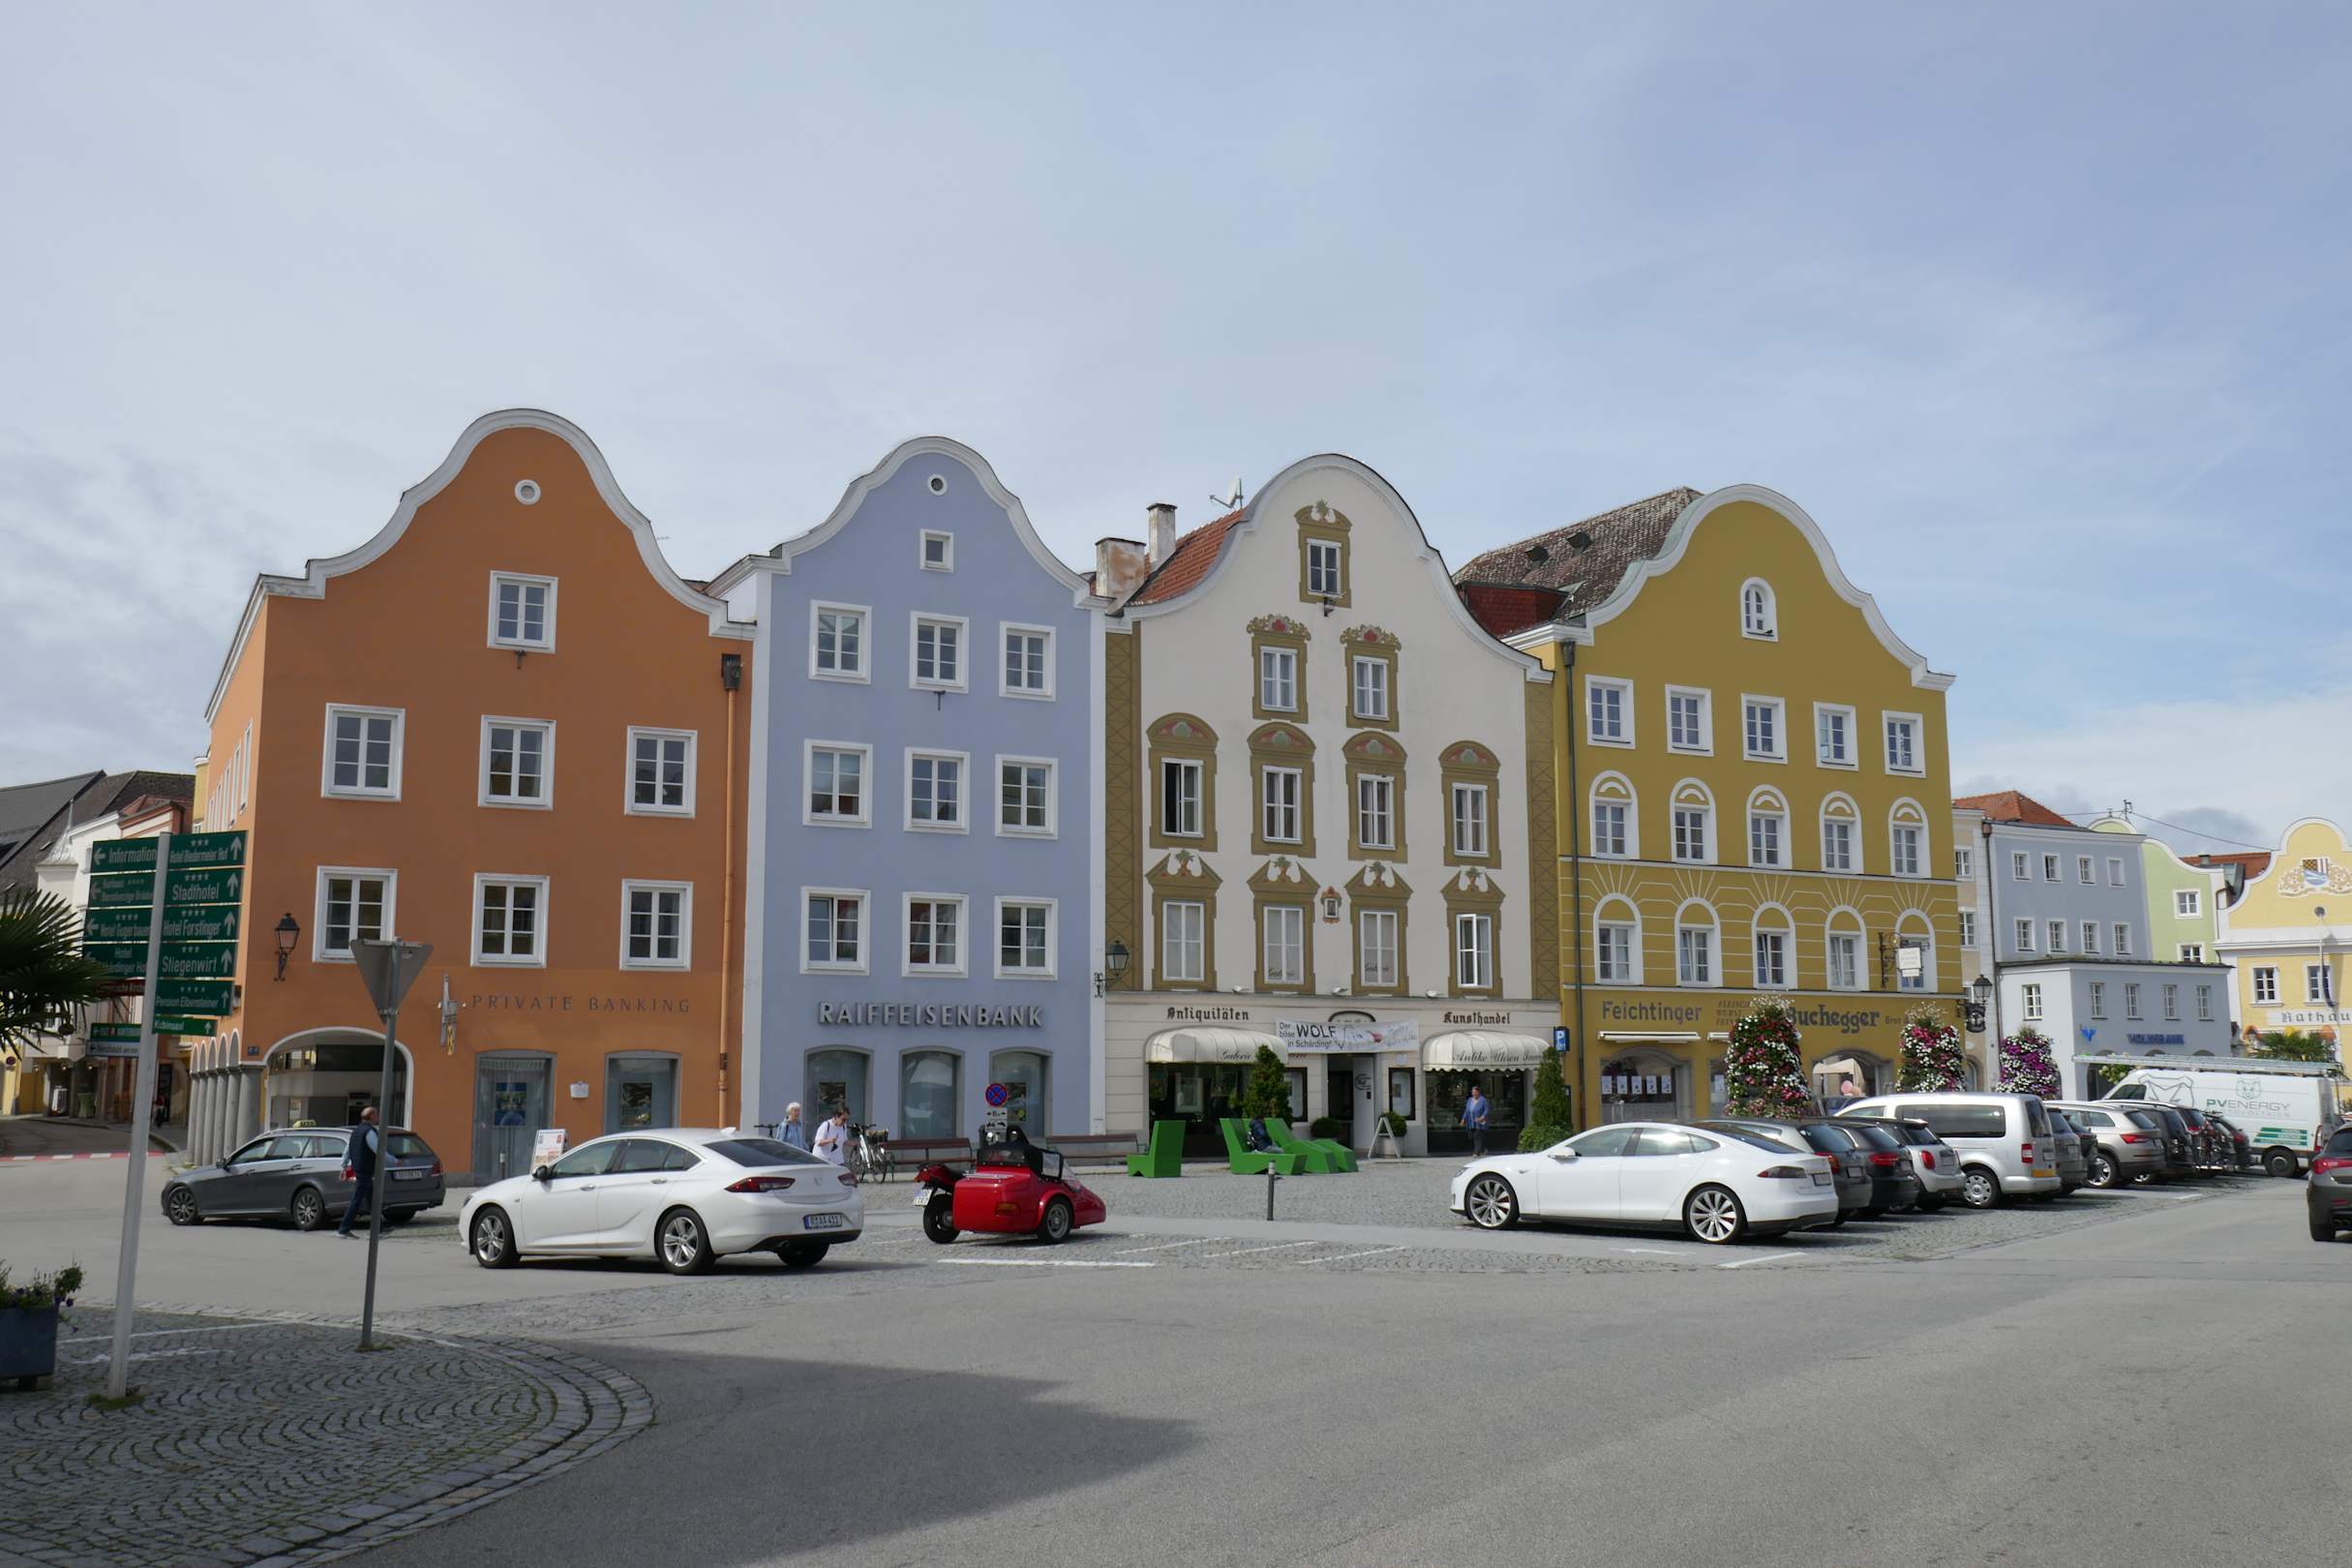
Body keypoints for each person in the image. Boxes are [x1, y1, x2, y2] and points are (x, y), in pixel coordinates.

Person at [338, 1105, 381, 1239]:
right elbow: (378, 1150)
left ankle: (378, 1229)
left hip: (360, 1169)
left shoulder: (356, 1131)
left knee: (371, 1199)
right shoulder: (369, 1132)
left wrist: (343, 1167)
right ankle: (344, 1229)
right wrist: (394, 1160)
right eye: (377, 1114)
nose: (378, 1116)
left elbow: (347, 1151)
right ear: (372, 1116)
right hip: (365, 1170)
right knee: (357, 1200)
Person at [1462, 1083, 1490, 1158]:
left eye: (1475, 1092)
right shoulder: (1470, 1100)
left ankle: (1476, 1153)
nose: (1474, 1094)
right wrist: (1463, 1119)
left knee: (1477, 1136)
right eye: (1473, 1092)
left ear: (1479, 1092)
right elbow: (1466, 1110)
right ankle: (1483, 1149)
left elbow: (1486, 1109)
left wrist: (1482, 1117)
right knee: (1471, 1136)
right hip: (1470, 1122)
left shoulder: (1483, 1100)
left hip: (1479, 1121)